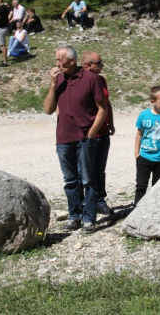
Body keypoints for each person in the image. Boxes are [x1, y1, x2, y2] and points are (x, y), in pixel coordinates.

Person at [43, 45, 107, 233]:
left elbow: (102, 109)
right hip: (63, 138)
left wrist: (92, 133)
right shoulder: (59, 79)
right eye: (56, 60)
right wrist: (53, 84)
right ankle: (74, 217)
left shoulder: (91, 79)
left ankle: (89, 219)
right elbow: (48, 109)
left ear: (72, 61)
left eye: (59, 60)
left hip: (84, 138)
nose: (57, 64)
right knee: (70, 180)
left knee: (88, 180)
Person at [80, 51, 115, 215]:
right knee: (83, 172)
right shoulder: (78, 81)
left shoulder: (101, 80)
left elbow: (107, 103)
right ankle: (83, 203)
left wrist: (111, 122)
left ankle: (100, 201)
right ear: (88, 65)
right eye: (99, 63)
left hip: (102, 133)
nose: (102, 66)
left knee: (99, 170)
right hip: (85, 135)